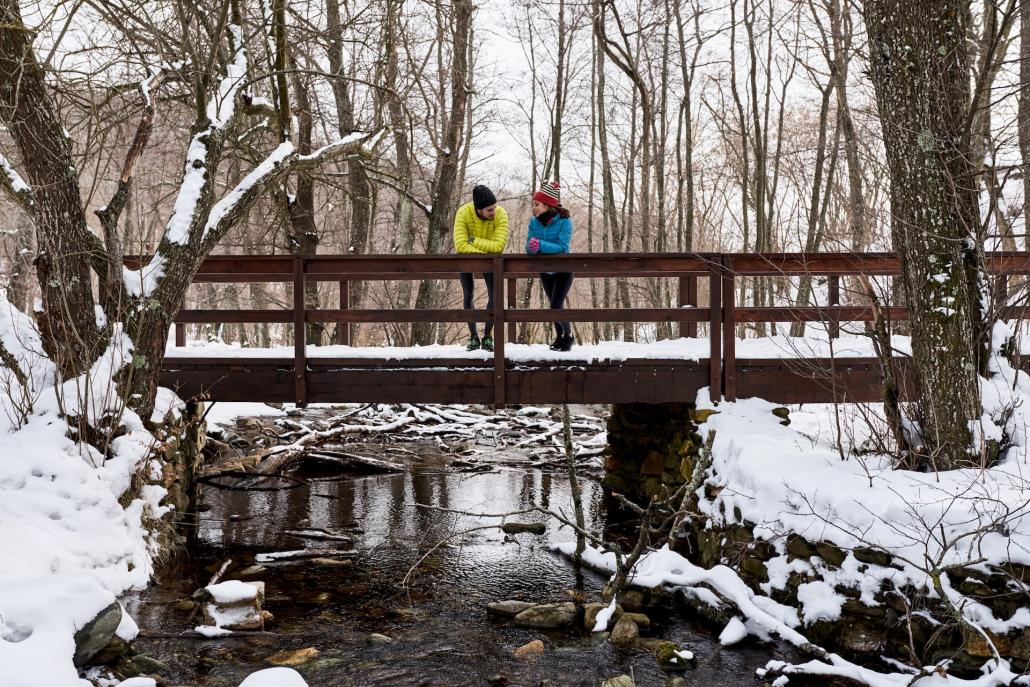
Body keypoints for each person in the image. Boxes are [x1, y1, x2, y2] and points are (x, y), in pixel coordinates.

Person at [453, 184, 509, 351]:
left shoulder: (500, 214)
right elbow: (460, 246)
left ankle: (487, 336)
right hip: (466, 259)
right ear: (478, 210)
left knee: (494, 296)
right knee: (468, 293)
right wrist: (485, 249)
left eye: (494, 208)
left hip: (492, 262)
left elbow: (499, 246)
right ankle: (473, 337)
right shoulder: (463, 213)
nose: (494, 212)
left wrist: (473, 240)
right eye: (489, 210)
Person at [526, 180, 574, 351]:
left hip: (563, 270)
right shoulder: (534, 222)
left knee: (556, 305)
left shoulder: (565, 221)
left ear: (547, 205)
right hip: (545, 270)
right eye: (533, 204)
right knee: (552, 305)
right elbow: (529, 245)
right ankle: (559, 337)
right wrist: (531, 249)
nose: (534, 207)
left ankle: (568, 337)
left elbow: (562, 247)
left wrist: (539, 245)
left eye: (536, 204)